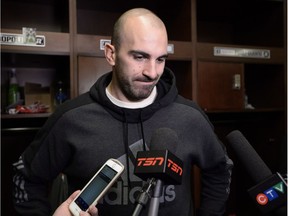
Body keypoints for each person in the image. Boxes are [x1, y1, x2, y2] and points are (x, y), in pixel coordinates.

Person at [12, 8, 233, 216]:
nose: (152, 72)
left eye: (161, 59)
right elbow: (26, 178)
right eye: (140, 57)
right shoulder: (71, 118)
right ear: (110, 54)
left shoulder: (190, 116)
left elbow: (220, 169)